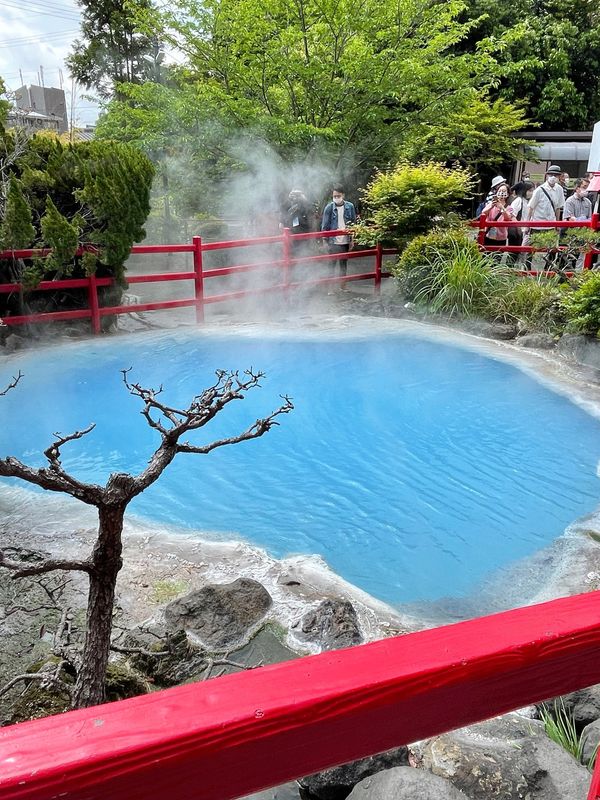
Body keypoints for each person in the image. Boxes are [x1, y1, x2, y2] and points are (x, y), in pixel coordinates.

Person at [526, 165, 565, 270]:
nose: (553, 177)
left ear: (559, 177)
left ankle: (548, 270)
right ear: (547, 175)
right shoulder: (539, 190)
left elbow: (558, 208)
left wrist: (557, 223)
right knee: (532, 250)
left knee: (552, 250)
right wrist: (527, 224)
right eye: (551, 175)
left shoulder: (559, 189)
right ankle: (527, 269)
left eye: (556, 175)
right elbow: (531, 207)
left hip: (551, 224)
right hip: (537, 224)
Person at [320, 185, 357, 284]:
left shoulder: (350, 206)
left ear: (343, 195)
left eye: (338, 196)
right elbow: (324, 225)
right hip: (333, 241)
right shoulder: (329, 208)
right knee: (331, 265)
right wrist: (324, 241)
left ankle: (342, 286)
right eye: (334, 196)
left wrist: (352, 240)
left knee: (343, 264)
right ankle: (330, 287)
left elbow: (353, 224)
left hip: (345, 240)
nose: (336, 198)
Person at [562, 178, 592, 270]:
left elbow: (590, 218)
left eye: (587, 187)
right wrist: (582, 220)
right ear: (577, 188)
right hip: (570, 232)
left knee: (580, 257)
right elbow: (569, 218)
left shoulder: (588, 202)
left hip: (582, 233)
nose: (586, 190)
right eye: (584, 187)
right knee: (568, 257)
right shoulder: (570, 201)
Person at [506, 181, 534, 265]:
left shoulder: (530, 202)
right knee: (514, 253)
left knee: (525, 253)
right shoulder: (518, 200)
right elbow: (512, 215)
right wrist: (519, 227)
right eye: (529, 190)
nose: (531, 193)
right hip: (517, 231)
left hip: (526, 230)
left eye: (532, 191)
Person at [481, 182, 514, 249]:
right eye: (499, 191)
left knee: (498, 255)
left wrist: (502, 207)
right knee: (486, 253)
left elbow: (508, 218)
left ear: (507, 194)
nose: (501, 193)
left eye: (504, 191)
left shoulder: (509, 207)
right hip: (489, 234)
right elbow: (483, 214)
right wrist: (491, 206)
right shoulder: (491, 204)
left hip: (501, 237)